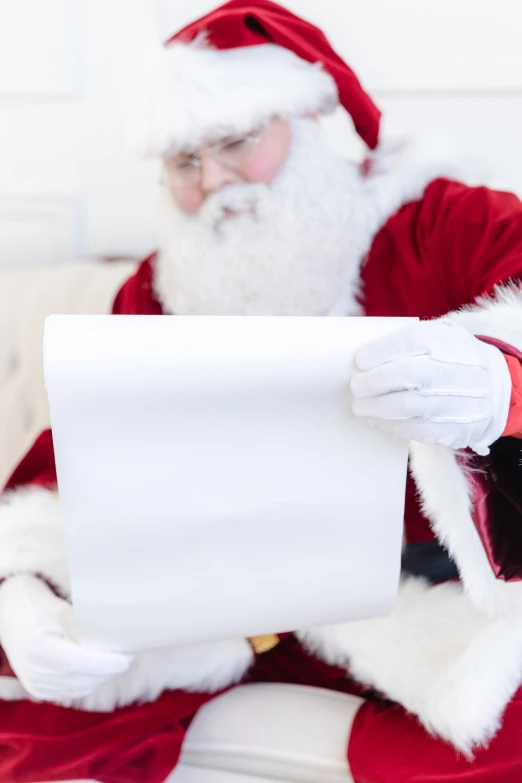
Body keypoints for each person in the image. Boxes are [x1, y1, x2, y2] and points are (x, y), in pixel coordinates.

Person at [2, 1, 522, 780]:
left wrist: (502, 382)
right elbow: (72, 461)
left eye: (237, 141)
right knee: (34, 712)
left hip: (430, 602)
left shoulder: (445, 222)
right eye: (182, 162)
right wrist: (23, 587)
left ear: (312, 118)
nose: (213, 182)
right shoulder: (158, 290)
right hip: (229, 611)